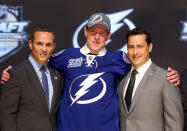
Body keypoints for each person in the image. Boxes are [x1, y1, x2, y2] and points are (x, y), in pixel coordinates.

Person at [1, 13, 180, 131]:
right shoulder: (65, 56)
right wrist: (10, 73)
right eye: (93, 31)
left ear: (109, 36)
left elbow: (143, 68)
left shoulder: (120, 59)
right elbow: (38, 65)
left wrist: (169, 75)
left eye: (102, 33)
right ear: (85, 31)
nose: (97, 37)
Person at [118, 27, 183, 131]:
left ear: (150, 47)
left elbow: (174, 124)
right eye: (131, 47)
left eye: (140, 46)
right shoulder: (121, 81)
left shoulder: (166, 79)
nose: (135, 52)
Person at [0, 28, 63, 131]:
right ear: (30, 44)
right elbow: (7, 114)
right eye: (39, 44)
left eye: (48, 45)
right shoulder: (15, 74)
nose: (44, 49)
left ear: (53, 46)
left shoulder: (57, 76)